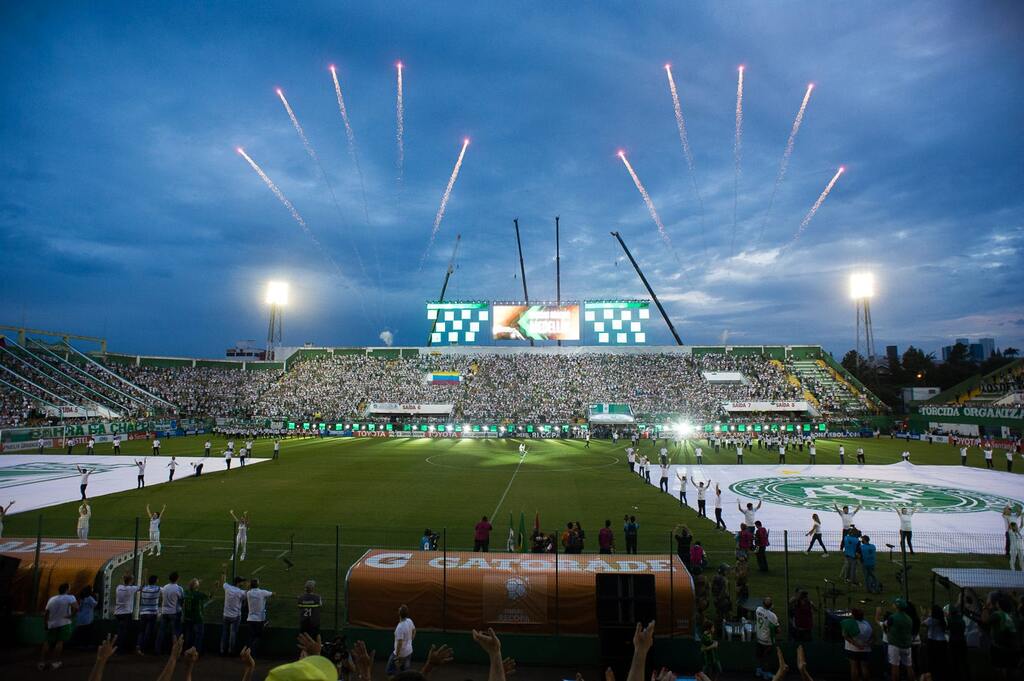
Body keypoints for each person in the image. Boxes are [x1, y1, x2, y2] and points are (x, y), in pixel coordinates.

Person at [39, 582, 78, 670]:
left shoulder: (52, 599)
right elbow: (76, 607)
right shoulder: (70, 597)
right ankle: (54, 662)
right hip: (64, 622)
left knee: (47, 642)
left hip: (52, 623)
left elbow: (47, 613)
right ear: (67, 589)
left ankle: (42, 662)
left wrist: (45, 623)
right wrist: (71, 615)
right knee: (59, 642)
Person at [879, 599, 916, 681]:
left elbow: (885, 625)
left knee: (895, 667)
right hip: (907, 645)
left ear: (896, 606)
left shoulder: (892, 617)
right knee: (909, 667)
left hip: (895, 645)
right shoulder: (909, 618)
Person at [155, 572, 184, 655]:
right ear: (177, 578)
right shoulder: (179, 588)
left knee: (161, 631)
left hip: (164, 612)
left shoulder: (165, 587)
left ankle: (157, 649)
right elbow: (182, 600)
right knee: (175, 632)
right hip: (174, 612)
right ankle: (175, 651)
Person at [220, 567, 246, 656]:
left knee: (224, 633)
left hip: (226, 615)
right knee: (233, 633)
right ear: (238, 583)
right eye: (242, 582)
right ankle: (231, 651)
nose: (243, 583)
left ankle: (222, 650)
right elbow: (249, 595)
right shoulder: (241, 592)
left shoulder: (228, 588)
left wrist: (224, 572)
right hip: (235, 616)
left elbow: (223, 582)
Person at [841, 608, 873, 681]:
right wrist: (867, 644)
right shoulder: (867, 624)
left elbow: (845, 636)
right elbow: (873, 637)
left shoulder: (849, 623)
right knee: (864, 667)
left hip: (852, 649)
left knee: (854, 667)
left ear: (853, 616)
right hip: (865, 649)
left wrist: (856, 645)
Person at [245, 578, 272, 656]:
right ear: (258, 584)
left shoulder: (248, 593)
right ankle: (251, 652)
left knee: (251, 637)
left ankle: (249, 651)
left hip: (250, 619)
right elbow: (273, 594)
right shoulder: (262, 592)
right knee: (258, 636)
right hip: (260, 619)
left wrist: (248, 586)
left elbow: (247, 591)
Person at [386, 604, 416, 675]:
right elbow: (414, 630)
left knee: (389, 671)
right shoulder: (409, 621)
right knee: (405, 673)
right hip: (409, 651)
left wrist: (397, 656)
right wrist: (411, 639)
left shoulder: (400, 627)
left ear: (399, 613)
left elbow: (400, 643)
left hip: (401, 654)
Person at [181, 578, 209, 653]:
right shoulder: (198, 594)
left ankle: (187, 650)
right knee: (198, 635)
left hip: (187, 617)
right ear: (196, 586)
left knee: (188, 635)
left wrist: (196, 583)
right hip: (197, 618)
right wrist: (216, 588)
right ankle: (196, 651)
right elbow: (209, 596)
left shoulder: (186, 592)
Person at [755, 597, 779, 680]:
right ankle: (766, 673)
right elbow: (777, 630)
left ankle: (758, 671)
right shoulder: (773, 616)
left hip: (759, 638)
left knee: (759, 655)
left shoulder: (758, 610)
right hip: (767, 641)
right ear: (771, 605)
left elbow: (764, 613)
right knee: (766, 657)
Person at [113, 574, 139, 654]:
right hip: (126, 614)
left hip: (118, 613)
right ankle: (120, 649)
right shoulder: (131, 589)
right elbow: (141, 587)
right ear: (131, 581)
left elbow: (123, 582)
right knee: (124, 632)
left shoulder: (119, 587)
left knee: (120, 631)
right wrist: (144, 579)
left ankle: (117, 647)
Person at [137, 574, 161, 654]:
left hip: (143, 613)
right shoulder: (157, 589)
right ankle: (143, 648)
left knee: (141, 631)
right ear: (156, 581)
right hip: (152, 613)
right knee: (148, 632)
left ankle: (139, 646)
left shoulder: (143, 588)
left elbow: (140, 587)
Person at [924, 604, 947, 679]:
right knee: (940, 662)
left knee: (932, 661)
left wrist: (925, 615)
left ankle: (932, 676)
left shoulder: (932, 619)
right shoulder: (942, 619)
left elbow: (923, 623)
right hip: (943, 642)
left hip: (933, 642)